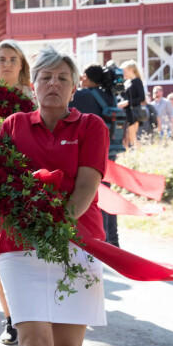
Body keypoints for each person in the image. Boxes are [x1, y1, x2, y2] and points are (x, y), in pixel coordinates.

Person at [0, 46, 109, 346]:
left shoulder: (92, 126)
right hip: (18, 243)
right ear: (32, 85)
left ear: (74, 86)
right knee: (34, 340)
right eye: (45, 77)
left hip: (76, 240)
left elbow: (86, 186)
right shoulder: (12, 125)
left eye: (62, 77)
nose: (53, 84)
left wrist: (56, 225)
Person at [0, 40, 34, 345]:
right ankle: (11, 319)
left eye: (12, 59)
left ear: (21, 66)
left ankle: (34, 315)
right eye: (1, 59)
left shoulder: (34, 98)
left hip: (29, 186)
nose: (6, 64)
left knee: (30, 253)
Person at [69, 64, 119, 247]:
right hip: (111, 149)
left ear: (88, 78)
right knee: (109, 191)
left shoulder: (83, 96)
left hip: (92, 151)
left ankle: (103, 239)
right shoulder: (110, 95)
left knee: (95, 193)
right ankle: (113, 237)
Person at [116, 60, 147, 149]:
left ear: (130, 70)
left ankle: (139, 154)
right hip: (126, 112)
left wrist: (127, 102)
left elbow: (141, 98)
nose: (122, 73)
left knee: (132, 138)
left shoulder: (137, 81)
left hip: (133, 113)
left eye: (124, 70)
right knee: (126, 139)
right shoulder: (126, 82)